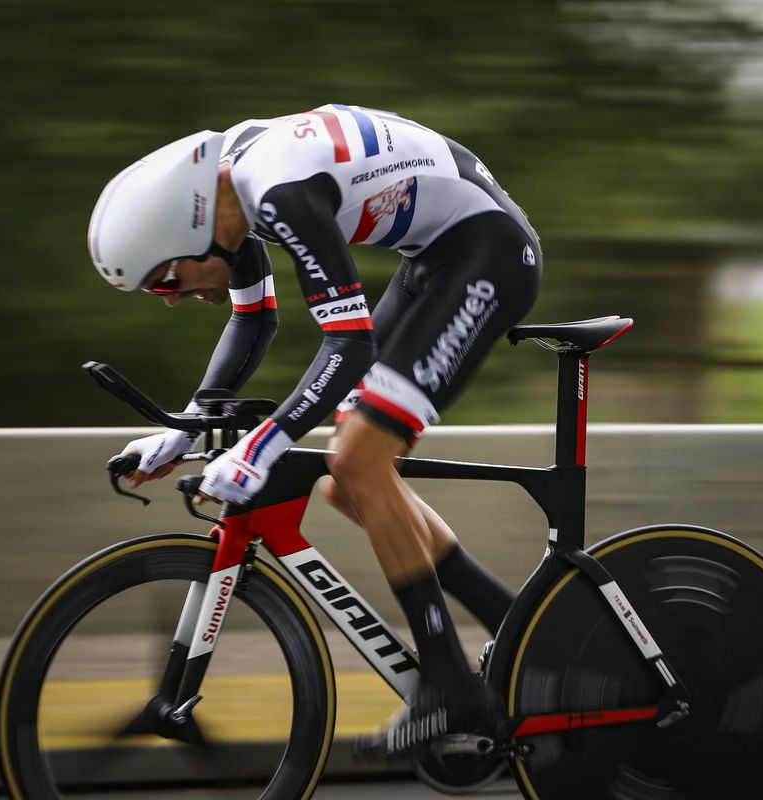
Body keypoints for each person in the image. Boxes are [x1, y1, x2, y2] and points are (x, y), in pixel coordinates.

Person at [87, 105, 542, 755]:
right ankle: (520, 625)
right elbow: (254, 322)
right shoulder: (228, 200)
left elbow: (348, 344)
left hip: (488, 254)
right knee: (346, 483)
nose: (169, 296)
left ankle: (449, 687)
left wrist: (261, 446)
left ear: (188, 232)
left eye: (164, 277)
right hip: (438, 259)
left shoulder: (274, 193)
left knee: (357, 460)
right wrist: (185, 431)